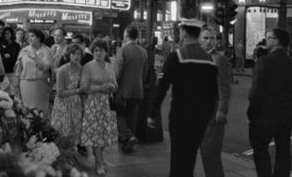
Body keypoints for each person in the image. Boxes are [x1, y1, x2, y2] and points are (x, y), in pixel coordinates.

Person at [147, 19, 218, 177]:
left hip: (180, 117)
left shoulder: (177, 56)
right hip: (200, 119)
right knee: (191, 155)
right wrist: (207, 117)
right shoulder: (209, 60)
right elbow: (213, 94)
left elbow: (162, 87)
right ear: (199, 34)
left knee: (179, 157)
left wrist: (152, 113)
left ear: (184, 33)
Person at [248, 28, 292, 177]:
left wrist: (252, 112)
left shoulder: (263, 62)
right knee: (283, 150)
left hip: (263, 115)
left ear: (277, 41)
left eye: (269, 37)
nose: (266, 40)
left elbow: (256, 91)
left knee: (260, 149)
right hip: (285, 115)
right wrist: (290, 108)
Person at [79, 39, 118, 176]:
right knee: (95, 134)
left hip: (105, 103)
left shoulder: (109, 66)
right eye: (96, 50)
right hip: (92, 103)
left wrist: (113, 87)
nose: (98, 53)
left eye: (101, 50)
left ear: (106, 52)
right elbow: (84, 87)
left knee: (103, 132)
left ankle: (100, 157)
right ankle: (99, 163)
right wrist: (101, 87)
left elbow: (114, 83)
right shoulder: (88, 67)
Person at [199, 26, 232, 177]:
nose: (208, 41)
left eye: (212, 38)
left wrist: (222, 109)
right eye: (205, 38)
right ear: (199, 39)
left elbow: (224, 87)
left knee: (210, 155)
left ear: (217, 41)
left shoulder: (219, 59)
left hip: (212, 114)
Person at [115, 25, 148, 153]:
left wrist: (114, 86)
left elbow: (118, 72)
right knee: (132, 116)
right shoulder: (143, 51)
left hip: (123, 90)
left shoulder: (122, 50)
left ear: (127, 35)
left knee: (120, 116)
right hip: (138, 89)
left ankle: (128, 137)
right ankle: (128, 142)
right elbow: (145, 72)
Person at [14, 28, 53, 117]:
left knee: (40, 110)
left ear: (39, 38)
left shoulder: (47, 50)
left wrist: (34, 57)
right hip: (24, 83)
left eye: (32, 36)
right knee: (26, 109)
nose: (30, 38)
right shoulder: (24, 50)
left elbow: (45, 67)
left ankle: (41, 128)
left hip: (40, 84)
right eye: (28, 36)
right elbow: (18, 69)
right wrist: (16, 84)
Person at [51, 43, 84, 146]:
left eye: (78, 54)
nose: (76, 56)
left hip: (76, 104)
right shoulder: (62, 70)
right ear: (68, 55)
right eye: (73, 54)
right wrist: (77, 91)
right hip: (63, 105)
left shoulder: (82, 69)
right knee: (63, 133)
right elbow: (59, 92)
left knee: (75, 131)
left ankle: (74, 153)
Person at [0, 26, 21, 95]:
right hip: (3, 72)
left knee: (13, 92)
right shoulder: (0, 44)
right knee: (4, 92)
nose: (6, 35)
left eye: (8, 33)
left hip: (13, 72)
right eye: (5, 34)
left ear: (11, 34)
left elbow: (19, 58)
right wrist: (4, 57)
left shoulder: (16, 45)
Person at [50, 27, 69, 101]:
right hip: (51, 80)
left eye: (59, 35)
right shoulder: (52, 47)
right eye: (55, 35)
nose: (56, 38)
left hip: (61, 81)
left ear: (64, 36)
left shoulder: (67, 48)